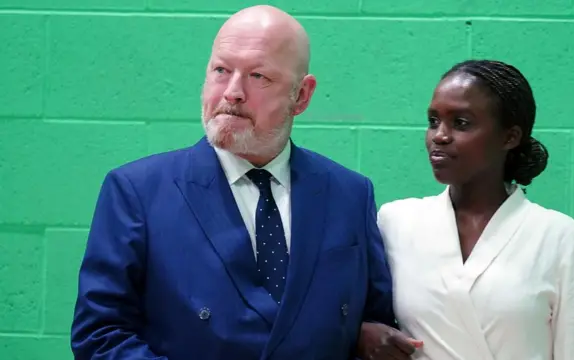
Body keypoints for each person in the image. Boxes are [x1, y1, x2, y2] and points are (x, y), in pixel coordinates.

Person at [70, 5, 414, 359]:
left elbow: (374, 327)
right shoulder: (137, 191)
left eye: (258, 76)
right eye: (221, 70)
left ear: (302, 95)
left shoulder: (350, 194)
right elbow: (101, 336)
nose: (232, 92)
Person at [366, 59, 574, 359]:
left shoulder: (559, 237)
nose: (439, 136)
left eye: (461, 123)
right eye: (433, 121)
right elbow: (349, 313)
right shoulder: (396, 222)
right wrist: (361, 333)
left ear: (510, 137)